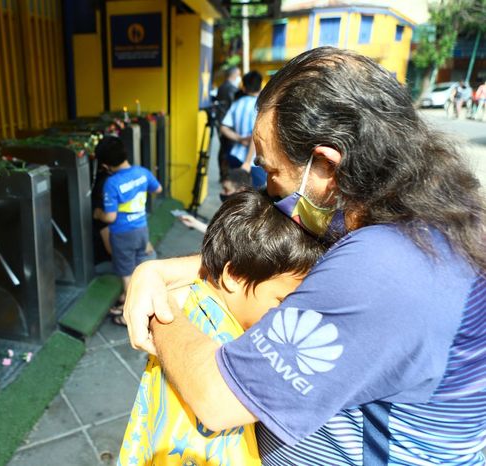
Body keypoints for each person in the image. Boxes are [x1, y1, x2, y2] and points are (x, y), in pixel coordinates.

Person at [123, 47, 486, 465]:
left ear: (326, 166)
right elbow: (277, 256)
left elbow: (216, 398)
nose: (270, 191)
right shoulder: (417, 213)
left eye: (272, 172)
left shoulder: (387, 267)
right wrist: (160, 269)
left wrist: (159, 310)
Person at [119, 190, 327, 466]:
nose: (289, 314)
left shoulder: (189, 300)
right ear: (234, 276)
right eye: (281, 301)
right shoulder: (229, 348)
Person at [93, 136, 162, 326]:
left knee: (126, 274)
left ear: (106, 164)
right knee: (138, 268)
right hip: (141, 229)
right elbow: (158, 189)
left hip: (122, 235)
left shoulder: (112, 183)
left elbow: (110, 217)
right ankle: (130, 298)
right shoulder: (142, 172)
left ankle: (129, 315)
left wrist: (98, 213)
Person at [220, 71, 267, 189]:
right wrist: (247, 162)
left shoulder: (236, 104)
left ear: (244, 87)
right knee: (256, 198)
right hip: (254, 161)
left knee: (236, 194)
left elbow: (223, 127)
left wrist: (239, 138)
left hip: (235, 156)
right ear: (260, 86)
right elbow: (256, 134)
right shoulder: (261, 106)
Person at [178, 168, 252, 233]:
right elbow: (220, 235)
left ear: (242, 191)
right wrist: (194, 223)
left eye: (226, 190)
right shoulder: (236, 208)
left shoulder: (246, 217)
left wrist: (195, 223)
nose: (222, 193)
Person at [215, 66, 242, 181]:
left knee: (223, 149)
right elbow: (234, 108)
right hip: (229, 125)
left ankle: (223, 175)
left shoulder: (221, 87)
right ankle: (228, 176)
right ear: (235, 74)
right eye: (239, 74)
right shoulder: (232, 89)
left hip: (220, 122)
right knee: (229, 149)